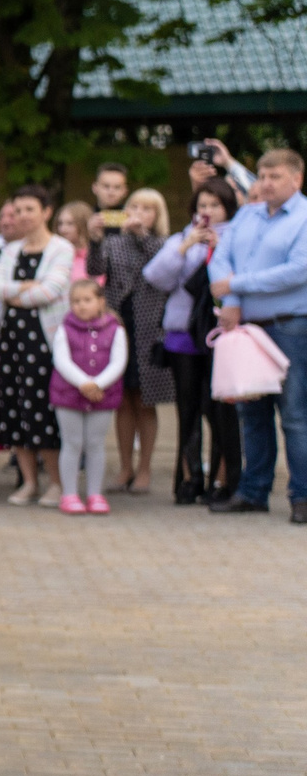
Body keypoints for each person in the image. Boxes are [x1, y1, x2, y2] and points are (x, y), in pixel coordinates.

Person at [206, 147, 307, 521]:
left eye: (274, 176)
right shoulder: (247, 215)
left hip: (290, 326)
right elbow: (221, 259)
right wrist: (231, 301)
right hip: (247, 327)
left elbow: (299, 269)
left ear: (296, 179)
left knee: (294, 414)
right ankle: (253, 492)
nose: (265, 183)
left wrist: (238, 285)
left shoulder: (304, 217)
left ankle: (302, 496)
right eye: (262, 176)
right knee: (252, 412)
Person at [146, 179, 244, 504]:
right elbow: (155, 277)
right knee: (187, 410)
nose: (208, 212)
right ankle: (189, 480)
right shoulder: (181, 239)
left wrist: (219, 249)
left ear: (228, 208)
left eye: (215, 205)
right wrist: (185, 247)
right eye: (202, 205)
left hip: (221, 333)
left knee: (220, 411)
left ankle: (222, 480)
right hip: (183, 334)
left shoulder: (238, 237)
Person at [0, 186, 73, 505]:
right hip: (9, 342)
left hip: (43, 343)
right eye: (17, 210)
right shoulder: (11, 250)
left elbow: (51, 291)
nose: (22, 216)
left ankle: (57, 483)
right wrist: (24, 287)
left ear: (46, 212)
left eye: (29, 209)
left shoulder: (61, 248)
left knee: (42, 412)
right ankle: (29, 482)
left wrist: (15, 294)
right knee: (14, 410)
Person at [101, 188, 171, 494]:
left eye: (147, 209)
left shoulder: (164, 244)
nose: (139, 213)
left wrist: (142, 236)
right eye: (134, 207)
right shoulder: (113, 242)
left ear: (158, 215)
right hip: (119, 325)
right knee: (122, 401)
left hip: (149, 328)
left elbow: (161, 271)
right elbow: (94, 270)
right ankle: (125, 467)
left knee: (145, 401)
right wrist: (95, 239)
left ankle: (145, 468)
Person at [48, 277, 128, 514]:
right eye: (76, 301)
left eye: (87, 300)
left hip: (103, 396)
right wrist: (84, 383)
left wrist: (98, 385)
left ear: (101, 302)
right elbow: (61, 360)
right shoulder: (64, 329)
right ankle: (69, 494)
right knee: (72, 443)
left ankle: (95, 494)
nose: (81, 305)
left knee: (95, 444)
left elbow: (118, 362)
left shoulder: (116, 329)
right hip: (68, 396)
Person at [55, 200, 100, 281]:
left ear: (84, 224)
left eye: (70, 223)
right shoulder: (54, 252)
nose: (63, 229)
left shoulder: (95, 254)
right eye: (60, 223)